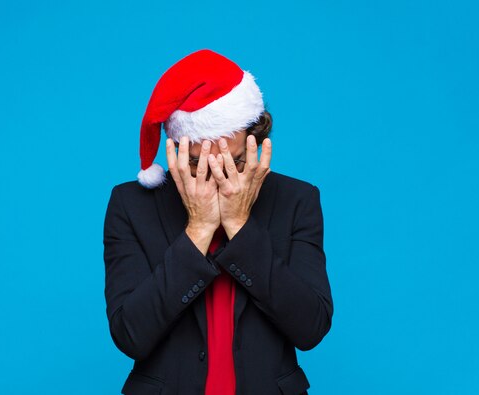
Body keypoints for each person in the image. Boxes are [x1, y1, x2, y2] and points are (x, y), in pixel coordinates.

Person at [103, 49, 334, 395]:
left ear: (256, 145)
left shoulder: (296, 201)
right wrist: (198, 229)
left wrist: (240, 225)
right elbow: (131, 335)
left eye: (234, 161)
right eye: (198, 164)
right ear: (175, 151)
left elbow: (311, 327)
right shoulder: (131, 205)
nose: (216, 177)